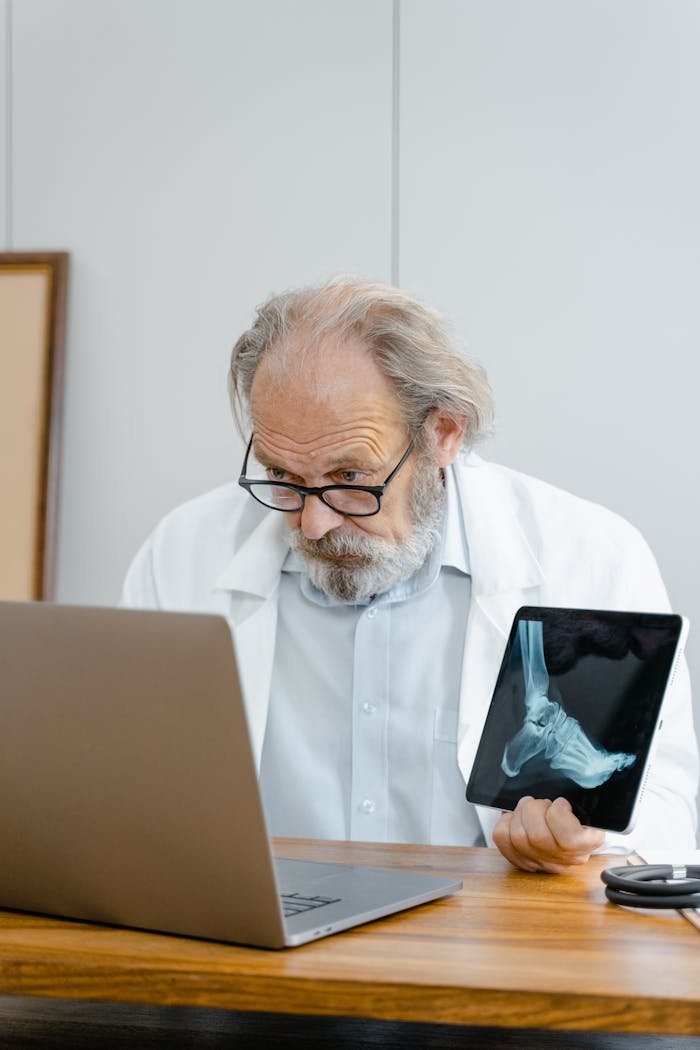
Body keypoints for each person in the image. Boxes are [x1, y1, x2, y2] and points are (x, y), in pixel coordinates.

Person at [121, 276, 698, 873]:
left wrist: (588, 840)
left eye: (350, 478)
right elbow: (125, 781)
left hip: (489, 927)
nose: (314, 523)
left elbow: (669, 807)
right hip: (262, 918)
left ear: (444, 432)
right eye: (284, 476)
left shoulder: (592, 555)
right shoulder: (181, 554)